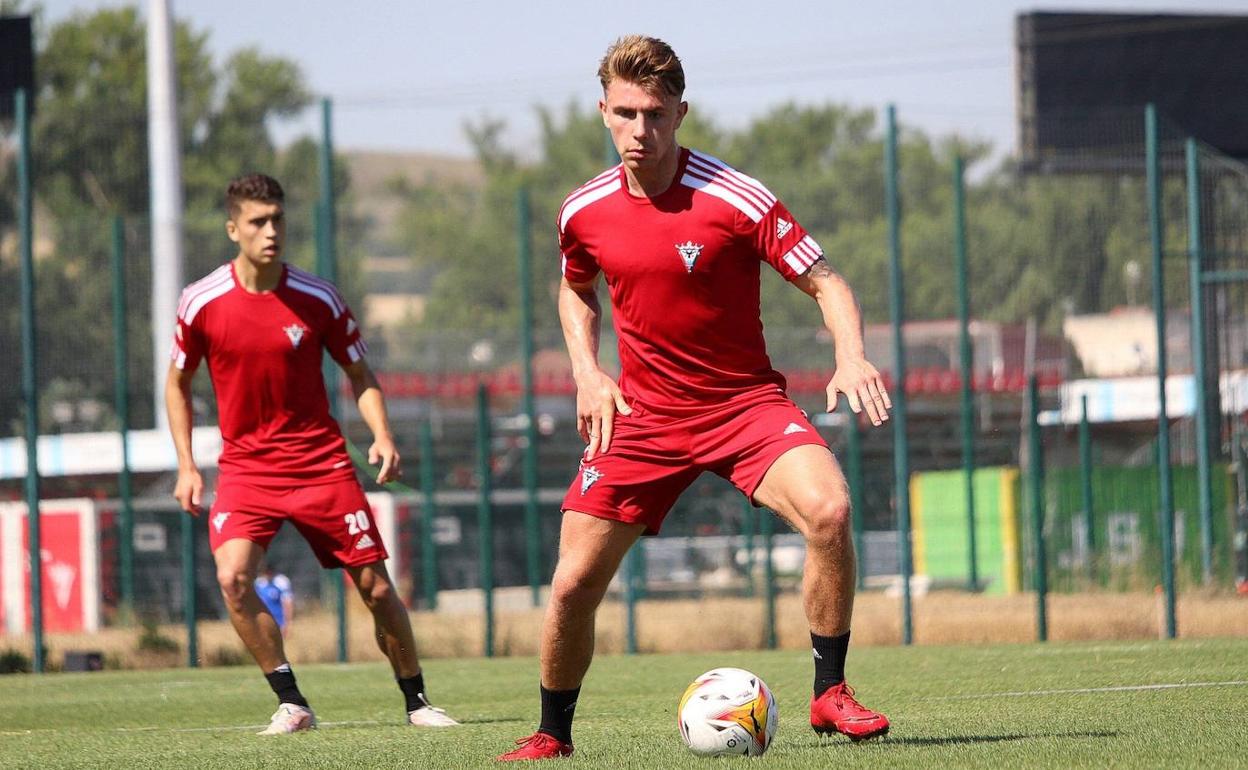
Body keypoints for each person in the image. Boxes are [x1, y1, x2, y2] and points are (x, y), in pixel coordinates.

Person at [498, 36, 893, 761]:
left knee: (830, 510)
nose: (638, 132)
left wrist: (851, 352)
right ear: (603, 112)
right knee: (571, 584)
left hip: (744, 409)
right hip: (641, 419)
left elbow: (825, 279)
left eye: (654, 114)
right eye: (624, 114)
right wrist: (588, 371)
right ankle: (553, 733)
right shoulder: (582, 210)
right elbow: (574, 287)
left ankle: (830, 692)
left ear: (681, 111)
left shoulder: (736, 198)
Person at [166, 173, 458, 735]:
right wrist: (185, 464)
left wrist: (383, 433)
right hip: (248, 470)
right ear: (233, 229)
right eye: (257, 222)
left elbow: (360, 373)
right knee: (233, 579)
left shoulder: (317, 297)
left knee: (375, 588)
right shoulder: (200, 302)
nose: (270, 231)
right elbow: (175, 385)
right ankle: (291, 701)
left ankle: (417, 702)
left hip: (321, 465)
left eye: (277, 219)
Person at [254, 564, 294, 638]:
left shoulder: (281, 582)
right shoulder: (259, 583)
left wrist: (288, 622)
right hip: (263, 620)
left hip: (279, 621)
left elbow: (287, 603)